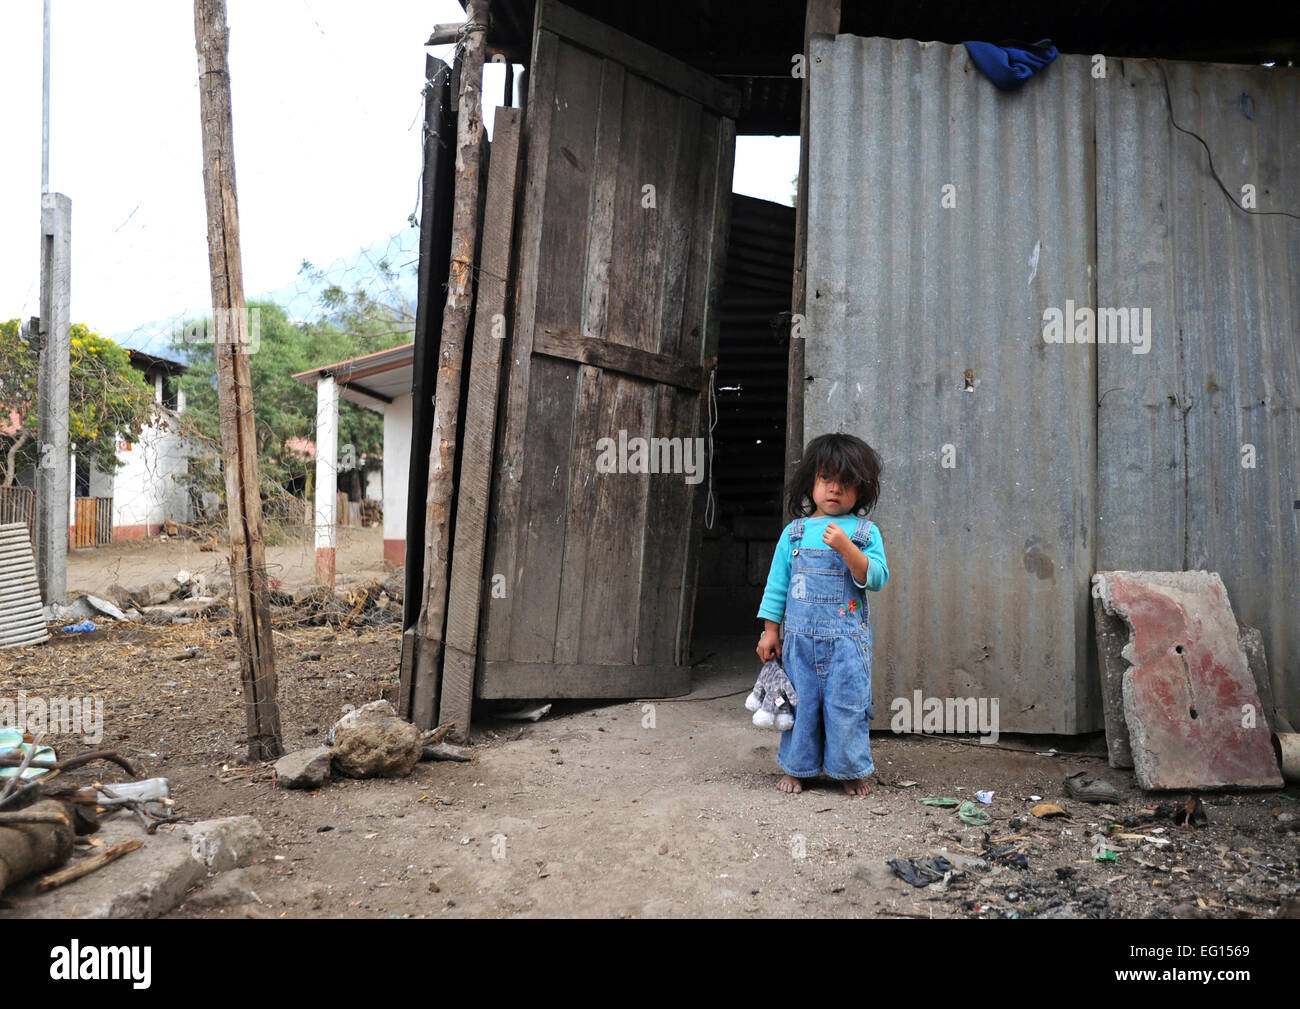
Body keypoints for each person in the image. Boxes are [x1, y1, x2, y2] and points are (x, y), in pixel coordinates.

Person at [756, 433, 888, 795]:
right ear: (810, 483)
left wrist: (847, 549)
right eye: (826, 479)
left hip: (847, 645)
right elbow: (777, 586)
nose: (835, 489)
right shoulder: (794, 534)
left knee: (847, 706)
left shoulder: (864, 533)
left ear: (860, 492)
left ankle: (849, 770)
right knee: (802, 707)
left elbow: (875, 578)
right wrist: (770, 631)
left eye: (846, 483)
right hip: (799, 641)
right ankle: (798, 768)